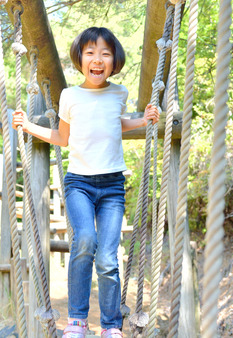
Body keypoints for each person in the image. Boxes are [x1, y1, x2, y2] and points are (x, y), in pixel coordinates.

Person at [12, 27, 160, 338]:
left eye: (105, 53)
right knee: (84, 242)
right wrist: (28, 126)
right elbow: (62, 138)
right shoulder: (70, 96)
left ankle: (109, 325)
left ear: (114, 61)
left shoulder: (119, 93)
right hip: (79, 183)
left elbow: (116, 125)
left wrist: (143, 120)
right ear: (80, 59)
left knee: (108, 256)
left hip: (112, 186)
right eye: (90, 52)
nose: (97, 59)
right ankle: (77, 320)